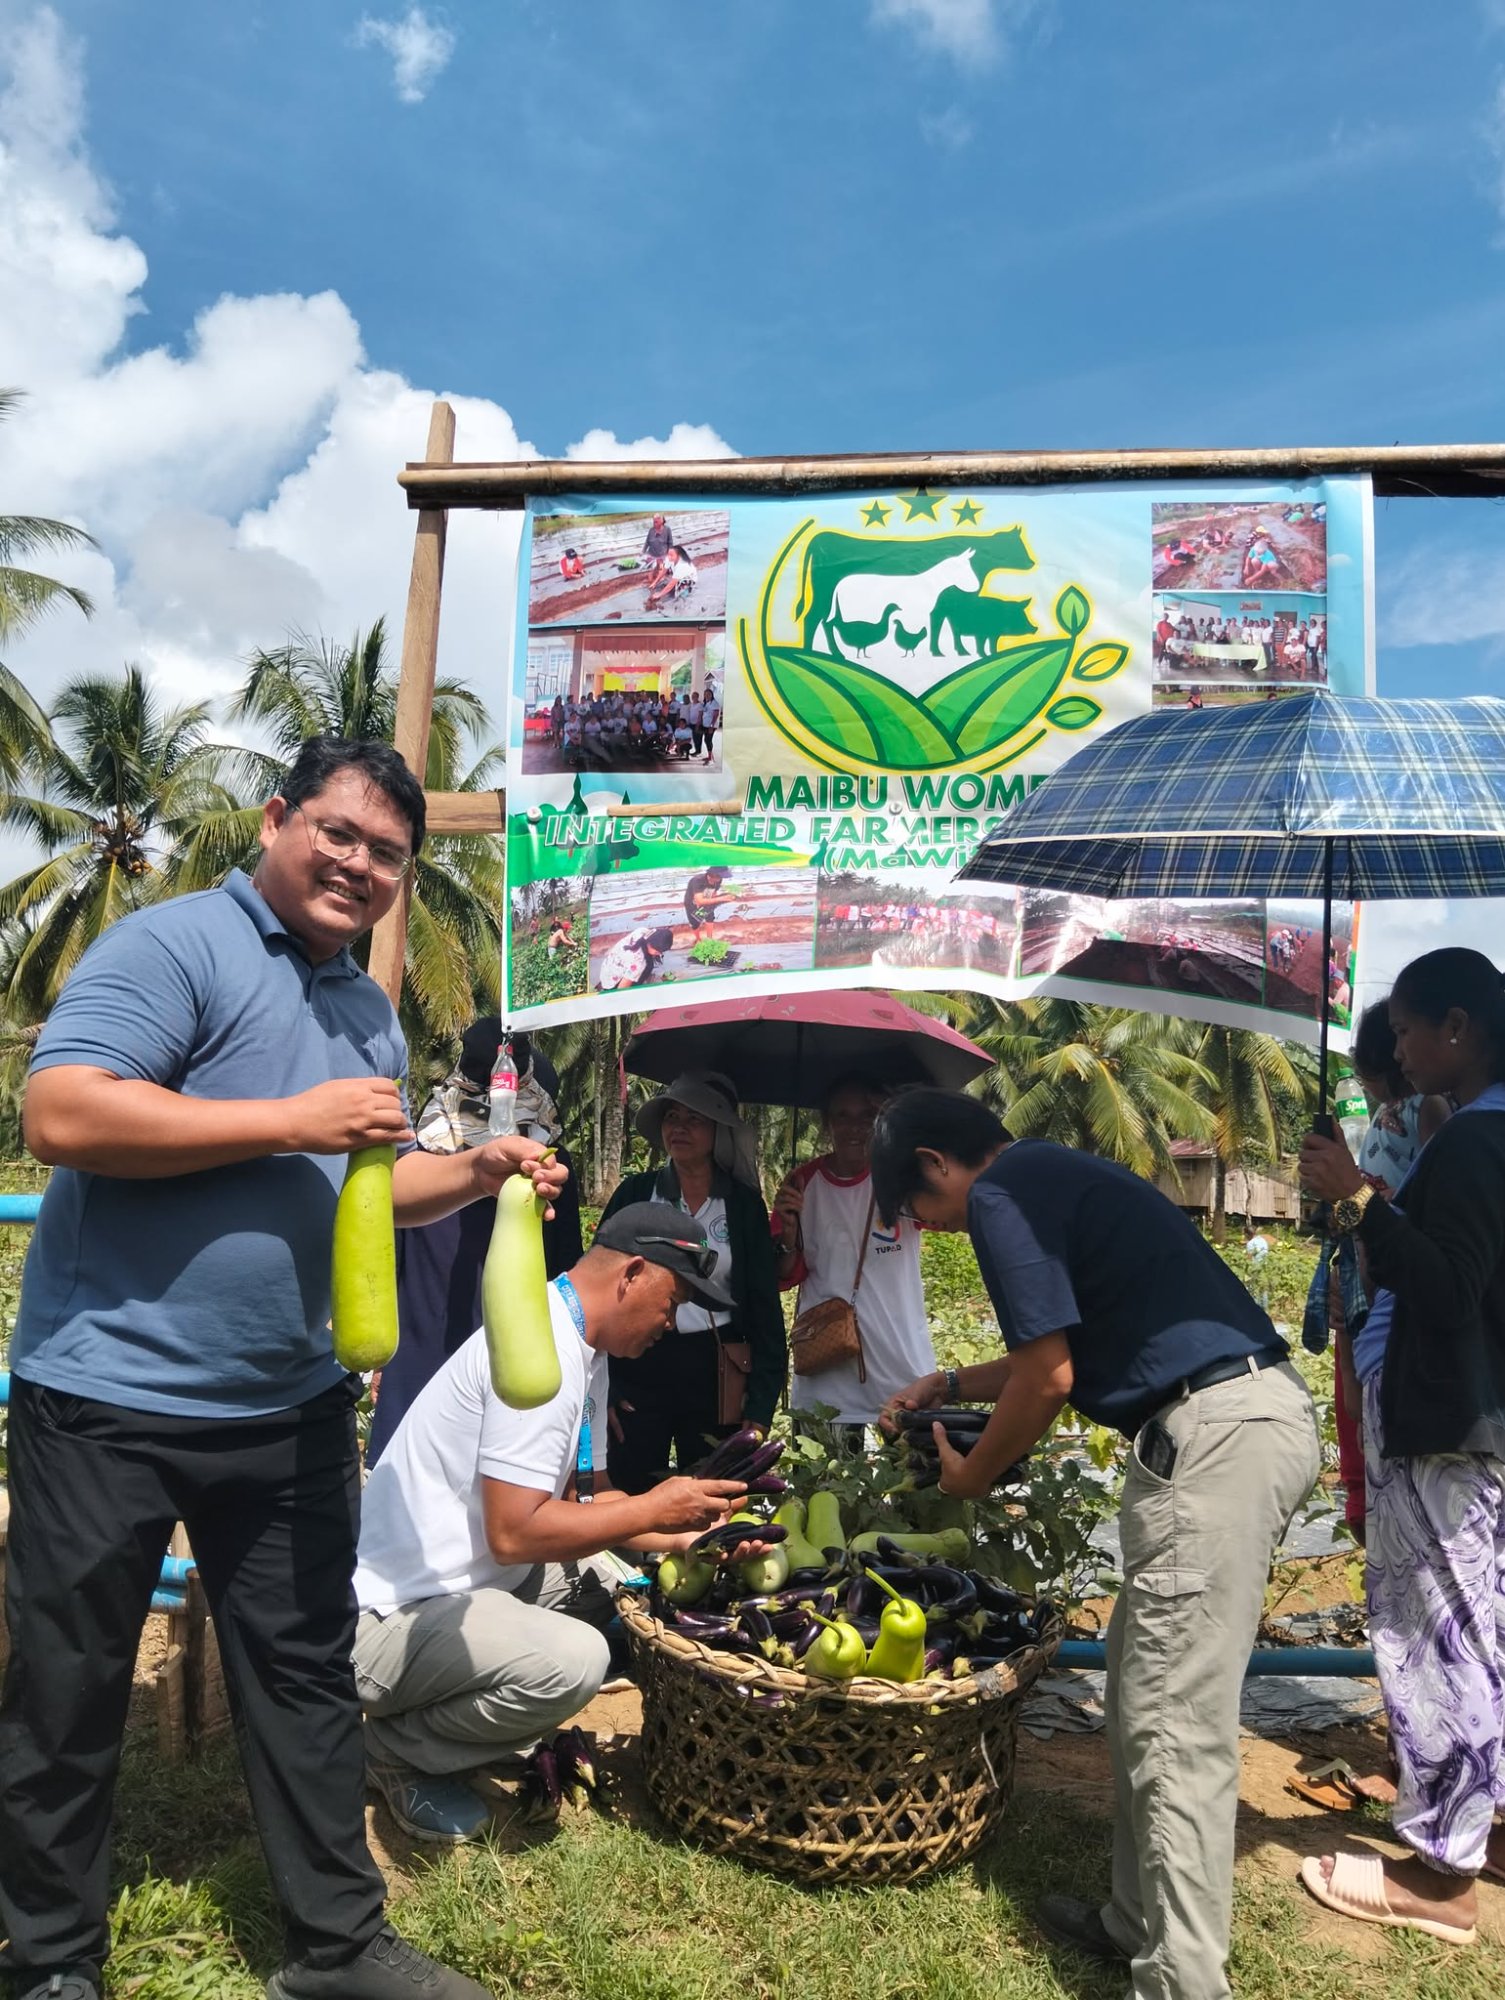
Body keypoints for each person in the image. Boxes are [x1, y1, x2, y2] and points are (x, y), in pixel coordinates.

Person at [0, 736, 568, 2000]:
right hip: (109, 1398)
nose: (362, 867)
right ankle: (49, 1963)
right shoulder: (174, 945)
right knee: (69, 1683)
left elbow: (369, 1181)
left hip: (292, 1404)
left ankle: (336, 1944)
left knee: (304, 1672)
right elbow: (63, 1113)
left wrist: (472, 1171)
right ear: (278, 819)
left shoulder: (364, 1006)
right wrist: (288, 1118)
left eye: (390, 856)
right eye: (342, 835)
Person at [872, 1090, 1319, 2000]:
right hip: (1225, 1424)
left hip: (1215, 1438)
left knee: (1174, 1727)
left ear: (931, 1164)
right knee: (1137, 1680)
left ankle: (1183, 1983)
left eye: (915, 1210)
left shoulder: (1000, 1197)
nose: (932, 1228)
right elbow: (1052, 1349)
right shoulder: (1043, 1173)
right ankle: (1132, 1921)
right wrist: (950, 1379)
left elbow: (1048, 1379)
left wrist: (969, 1478)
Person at [352, 1207, 758, 1841]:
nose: (670, 1323)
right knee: (576, 1661)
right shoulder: (540, 1352)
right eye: (673, 1301)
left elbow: (588, 1502)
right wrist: (655, 1507)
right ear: (633, 1273)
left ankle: (460, 1711)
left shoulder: (578, 1344)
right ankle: (399, 1752)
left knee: (619, 1589)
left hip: (465, 1587)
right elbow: (514, 1535)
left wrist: (687, 1536)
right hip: (389, 1623)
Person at [1299, 949, 1505, 1944]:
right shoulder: (1471, 1133)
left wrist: (1351, 1197)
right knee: (1481, 1626)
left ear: (1457, 1028)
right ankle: (1486, 1826)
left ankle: (1438, 1876)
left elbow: (1447, 1285)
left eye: (1410, 1031)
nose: (1400, 1049)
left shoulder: (1473, 1142)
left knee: (1436, 1634)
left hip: (1437, 1422)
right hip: (1471, 1419)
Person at [366, 1022, 584, 1468]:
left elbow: (565, 1276)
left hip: (501, 1362)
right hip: (441, 1356)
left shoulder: (547, 1172)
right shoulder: (419, 1170)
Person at [603, 1072, 784, 1493]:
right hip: (638, 1364)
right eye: (672, 1116)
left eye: (695, 1119)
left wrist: (761, 1400)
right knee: (630, 1483)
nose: (679, 1128)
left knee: (712, 1486)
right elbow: (600, 1286)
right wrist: (603, 1386)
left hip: (715, 1368)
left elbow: (763, 1307)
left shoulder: (741, 1205)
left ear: (719, 1131)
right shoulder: (636, 1194)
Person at [773, 1075, 935, 1440]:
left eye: (868, 1115)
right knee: (824, 1490)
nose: (855, 1127)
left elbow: (948, 1217)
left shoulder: (902, 1179)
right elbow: (783, 1274)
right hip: (826, 1364)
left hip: (900, 1358)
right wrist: (786, 1229)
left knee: (915, 1486)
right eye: (842, 1116)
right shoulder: (801, 1183)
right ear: (826, 1123)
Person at [597, 923, 673, 991]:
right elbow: (621, 989)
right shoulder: (639, 963)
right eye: (657, 952)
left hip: (607, 970)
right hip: (611, 986)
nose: (659, 954)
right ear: (649, 943)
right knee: (647, 967)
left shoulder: (642, 931)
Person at [683, 865, 728, 938]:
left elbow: (713, 891)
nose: (720, 879)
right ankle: (698, 939)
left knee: (710, 917)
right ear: (712, 875)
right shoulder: (697, 881)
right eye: (719, 877)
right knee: (695, 923)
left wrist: (711, 901)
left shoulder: (718, 880)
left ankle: (709, 938)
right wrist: (722, 898)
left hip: (707, 898)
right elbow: (699, 901)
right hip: (691, 903)